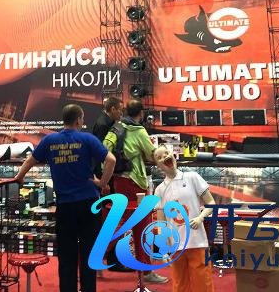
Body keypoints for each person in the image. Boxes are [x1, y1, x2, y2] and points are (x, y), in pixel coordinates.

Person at [14, 104, 115, 292]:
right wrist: (102, 183)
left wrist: (19, 177)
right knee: (89, 252)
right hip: (89, 203)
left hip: (65, 206)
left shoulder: (50, 140)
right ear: (78, 119)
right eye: (82, 118)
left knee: (67, 255)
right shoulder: (87, 138)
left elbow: (30, 160)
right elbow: (111, 160)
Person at [103, 99, 167, 285]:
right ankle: (146, 271)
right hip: (135, 183)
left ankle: (92, 256)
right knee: (142, 226)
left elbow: (104, 150)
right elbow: (152, 155)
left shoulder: (116, 127)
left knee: (119, 223)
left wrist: (106, 176)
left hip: (118, 181)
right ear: (141, 113)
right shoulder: (139, 131)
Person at [153, 145, 215, 292]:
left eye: (166, 153)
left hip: (197, 241)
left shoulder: (192, 177)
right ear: (158, 165)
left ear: (173, 154)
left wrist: (200, 217)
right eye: (159, 157)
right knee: (180, 285)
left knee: (203, 283)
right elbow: (161, 223)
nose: (164, 157)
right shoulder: (159, 190)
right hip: (175, 245)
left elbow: (211, 203)